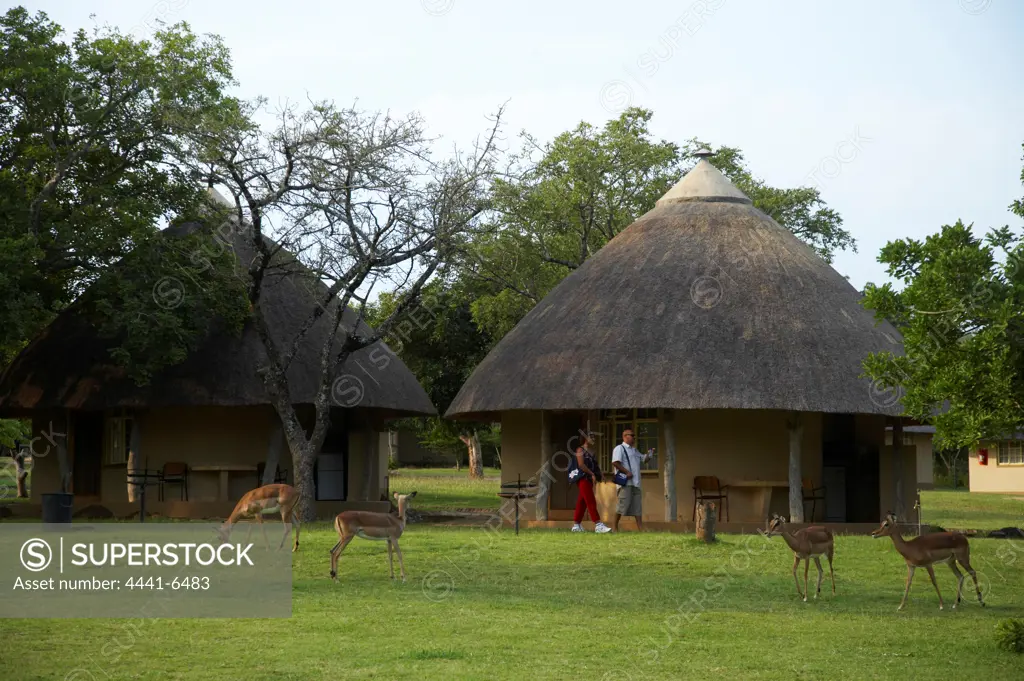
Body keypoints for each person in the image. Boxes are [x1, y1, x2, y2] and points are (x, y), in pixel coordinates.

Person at [611, 429, 653, 532]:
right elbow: (615, 462)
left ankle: (641, 529)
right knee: (623, 504)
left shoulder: (634, 450)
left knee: (637, 507)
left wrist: (650, 454)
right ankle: (615, 527)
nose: (634, 437)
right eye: (632, 435)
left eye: (634, 436)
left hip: (636, 483)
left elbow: (644, 459)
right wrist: (626, 472)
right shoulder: (619, 448)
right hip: (626, 483)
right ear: (625, 436)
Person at [570, 433, 612, 533]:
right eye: (591, 437)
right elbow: (581, 465)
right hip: (583, 478)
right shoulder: (580, 450)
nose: (593, 439)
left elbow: (595, 465)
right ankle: (598, 524)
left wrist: (601, 474)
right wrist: (592, 474)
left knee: (582, 501)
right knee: (590, 500)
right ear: (585, 438)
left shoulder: (591, 452)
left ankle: (576, 525)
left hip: (588, 479)